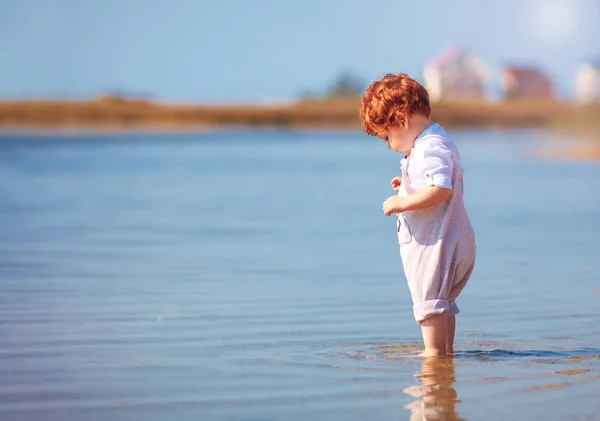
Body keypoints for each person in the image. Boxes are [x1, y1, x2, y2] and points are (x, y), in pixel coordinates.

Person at [359, 73, 476, 357]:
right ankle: (446, 354)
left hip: (435, 244)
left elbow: (440, 189)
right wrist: (408, 185)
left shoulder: (427, 148)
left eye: (387, 136)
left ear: (402, 119)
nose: (388, 144)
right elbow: (439, 182)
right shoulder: (438, 141)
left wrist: (403, 203)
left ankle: (434, 356)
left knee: (429, 304)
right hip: (454, 239)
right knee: (442, 304)